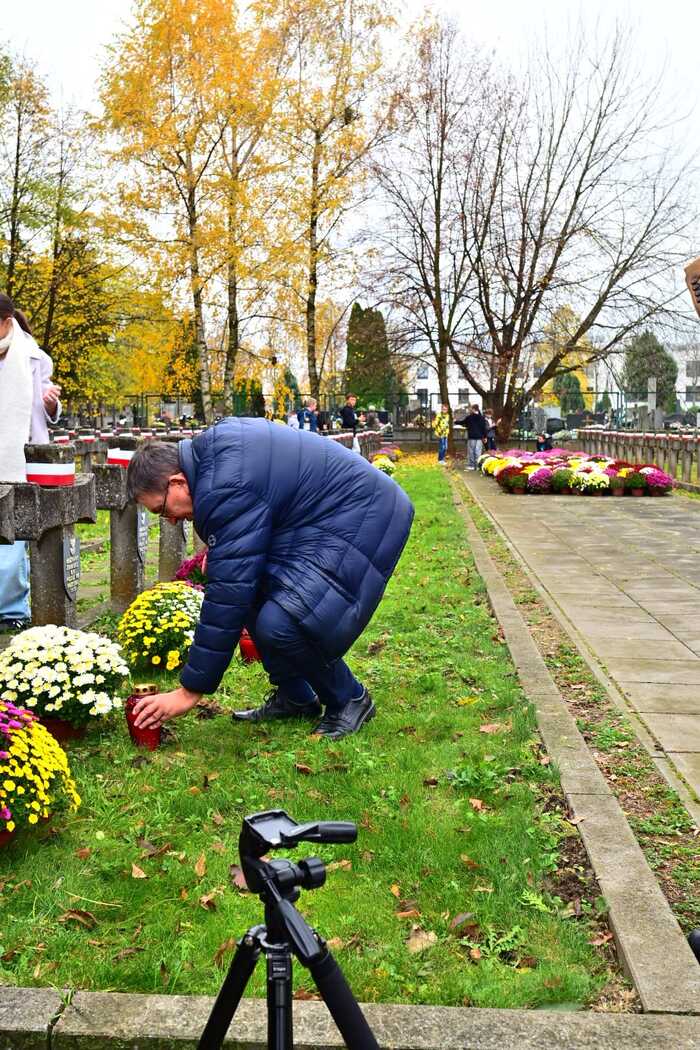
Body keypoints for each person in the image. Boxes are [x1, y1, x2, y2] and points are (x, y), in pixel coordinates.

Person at [127, 418, 414, 740]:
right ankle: (296, 696)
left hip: (362, 513)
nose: (169, 520)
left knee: (283, 622)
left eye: (161, 510)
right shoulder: (212, 460)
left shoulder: (222, 483)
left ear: (177, 482)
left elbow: (227, 596)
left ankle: (349, 698)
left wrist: (189, 691)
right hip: (321, 515)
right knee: (256, 593)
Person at [0, 293, 61, 631]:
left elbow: (45, 407)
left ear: (6, 320)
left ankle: (11, 611)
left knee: (13, 536)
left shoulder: (33, 356)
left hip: (19, 456)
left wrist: (50, 402)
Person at [464, 404, 487, 470]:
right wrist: (485, 437)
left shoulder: (469, 417)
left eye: (471, 408)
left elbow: (463, 422)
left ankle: (471, 465)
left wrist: (455, 421)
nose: (470, 409)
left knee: (471, 451)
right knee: (478, 451)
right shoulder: (482, 417)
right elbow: (484, 428)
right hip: (480, 437)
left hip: (472, 436)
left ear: (473, 409)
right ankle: (477, 466)